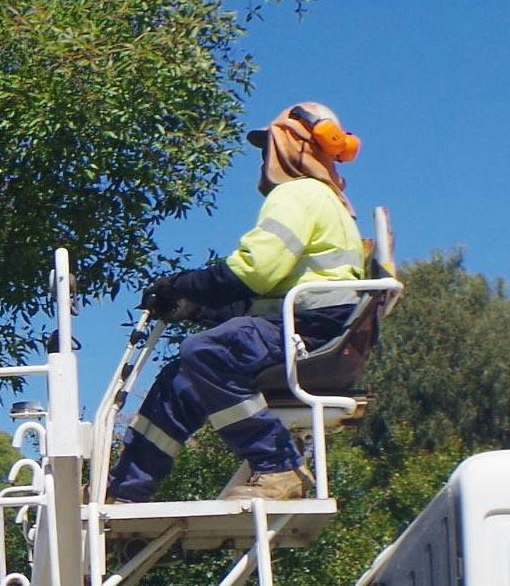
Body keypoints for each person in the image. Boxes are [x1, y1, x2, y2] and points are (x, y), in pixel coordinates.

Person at [108, 100, 369, 505]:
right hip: (302, 325)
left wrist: (184, 284)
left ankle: (279, 466)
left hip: (311, 331)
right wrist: (200, 306)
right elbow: (267, 293)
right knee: (182, 378)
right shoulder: (328, 202)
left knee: (208, 351)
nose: (265, 158)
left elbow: (254, 271)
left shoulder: (299, 194)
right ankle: (124, 492)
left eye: (269, 146)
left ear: (294, 144)